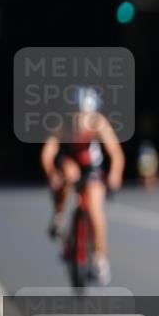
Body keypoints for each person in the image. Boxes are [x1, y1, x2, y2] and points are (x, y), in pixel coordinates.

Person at [40, 86, 124, 285]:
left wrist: (114, 175)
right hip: (69, 164)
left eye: (85, 114)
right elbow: (47, 153)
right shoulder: (63, 125)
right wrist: (52, 174)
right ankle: (59, 217)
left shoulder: (99, 124)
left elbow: (116, 154)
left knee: (95, 208)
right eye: (77, 113)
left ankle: (99, 259)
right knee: (67, 176)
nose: (81, 118)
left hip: (92, 169)